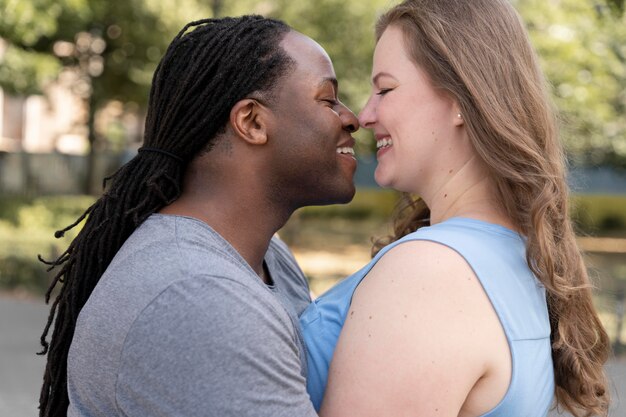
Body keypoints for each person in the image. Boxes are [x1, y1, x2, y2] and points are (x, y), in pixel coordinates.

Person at [37, 15, 359, 417]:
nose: (352, 118)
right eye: (328, 99)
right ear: (252, 122)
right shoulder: (199, 295)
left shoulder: (267, 258)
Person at [300, 1, 610, 416]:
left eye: (385, 89)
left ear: (462, 98)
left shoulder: (431, 275)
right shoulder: (508, 254)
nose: (365, 115)